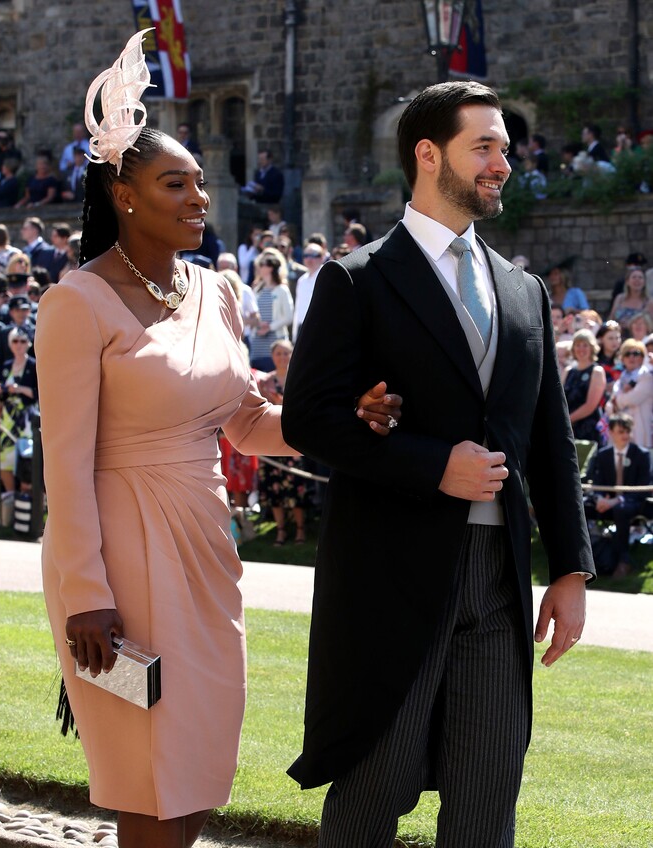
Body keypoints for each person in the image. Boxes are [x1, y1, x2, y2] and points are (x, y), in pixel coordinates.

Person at [33, 31, 402, 848]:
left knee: (200, 770)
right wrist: (86, 592)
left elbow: (245, 423)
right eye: (177, 184)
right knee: (151, 782)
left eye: (202, 184)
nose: (199, 198)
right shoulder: (76, 304)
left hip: (206, 546)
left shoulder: (218, 290)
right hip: (118, 565)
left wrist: (342, 421)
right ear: (125, 196)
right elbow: (63, 466)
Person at [281, 80, 593, 848]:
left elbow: (549, 436)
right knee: (373, 786)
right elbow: (308, 419)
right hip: (392, 574)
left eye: (506, 149)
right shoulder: (355, 279)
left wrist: (571, 570)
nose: (502, 164)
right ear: (429, 155)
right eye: (484, 146)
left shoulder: (523, 291)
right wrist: (431, 466)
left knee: (489, 793)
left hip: (498, 576)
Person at [584, 411, 652, 578]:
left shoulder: (641, 455)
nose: (625, 435)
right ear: (611, 432)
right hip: (607, 503)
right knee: (581, 507)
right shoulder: (603, 455)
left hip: (633, 504)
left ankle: (623, 561)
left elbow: (644, 487)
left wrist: (616, 500)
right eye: (621, 431)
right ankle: (586, 558)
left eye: (628, 431)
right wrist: (598, 498)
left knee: (621, 509)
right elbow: (596, 482)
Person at [257, 340, 312, 545]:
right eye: (278, 353)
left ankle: (300, 529)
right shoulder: (265, 381)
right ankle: (280, 530)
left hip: (293, 440)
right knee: (273, 489)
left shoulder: (299, 378)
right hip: (270, 439)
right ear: (272, 356)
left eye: (286, 353)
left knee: (296, 488)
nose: (282, 357)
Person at [0, 327, 38, 496]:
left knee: (26, 458)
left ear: (29, 343)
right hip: (7, 418)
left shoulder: (34, 365)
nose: (19, 345)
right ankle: (10, 498)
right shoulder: (5, 366)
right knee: (5, 459)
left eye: (23, 341)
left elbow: (38, 393)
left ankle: (25, 498)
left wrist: (19, 389)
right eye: (15, 341)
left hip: (26, 419)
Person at [562, 329, 606, 443]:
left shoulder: (597, 371)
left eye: (585, 345)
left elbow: (590, 405)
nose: (581, 349)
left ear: (592, 348)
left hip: (588, 428)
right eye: (578, 345)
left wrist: (568, 420)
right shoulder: (568, 371)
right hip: (568, 429)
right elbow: (560, 399)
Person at [608, 338, 653, 449]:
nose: (632, 357)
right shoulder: (621, 378)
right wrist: (616, 401)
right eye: (627, 354)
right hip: (621, 434)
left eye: (636, 353)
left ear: (643, 357)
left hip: (640, 434)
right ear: (622, 359)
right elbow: (609, 406)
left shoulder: (647, 376)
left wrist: (617, 400)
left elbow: (632, 399)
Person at [292, 241, 325, 342]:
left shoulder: (326, 276)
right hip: (302, 327)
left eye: (314, 255)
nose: (309, 259)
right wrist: (294, 334)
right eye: (306, 255)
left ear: (322, 257)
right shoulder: (301, 280)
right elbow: (298, 308)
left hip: (320, 326)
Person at [608, 266, 653, 336]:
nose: (637, 280)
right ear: (627, 281)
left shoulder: (649, 302)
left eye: (640, 278)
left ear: (644, 282)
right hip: (618, 337)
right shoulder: (619, 298)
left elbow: (650, 326)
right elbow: (611, 319)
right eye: (634, 277)